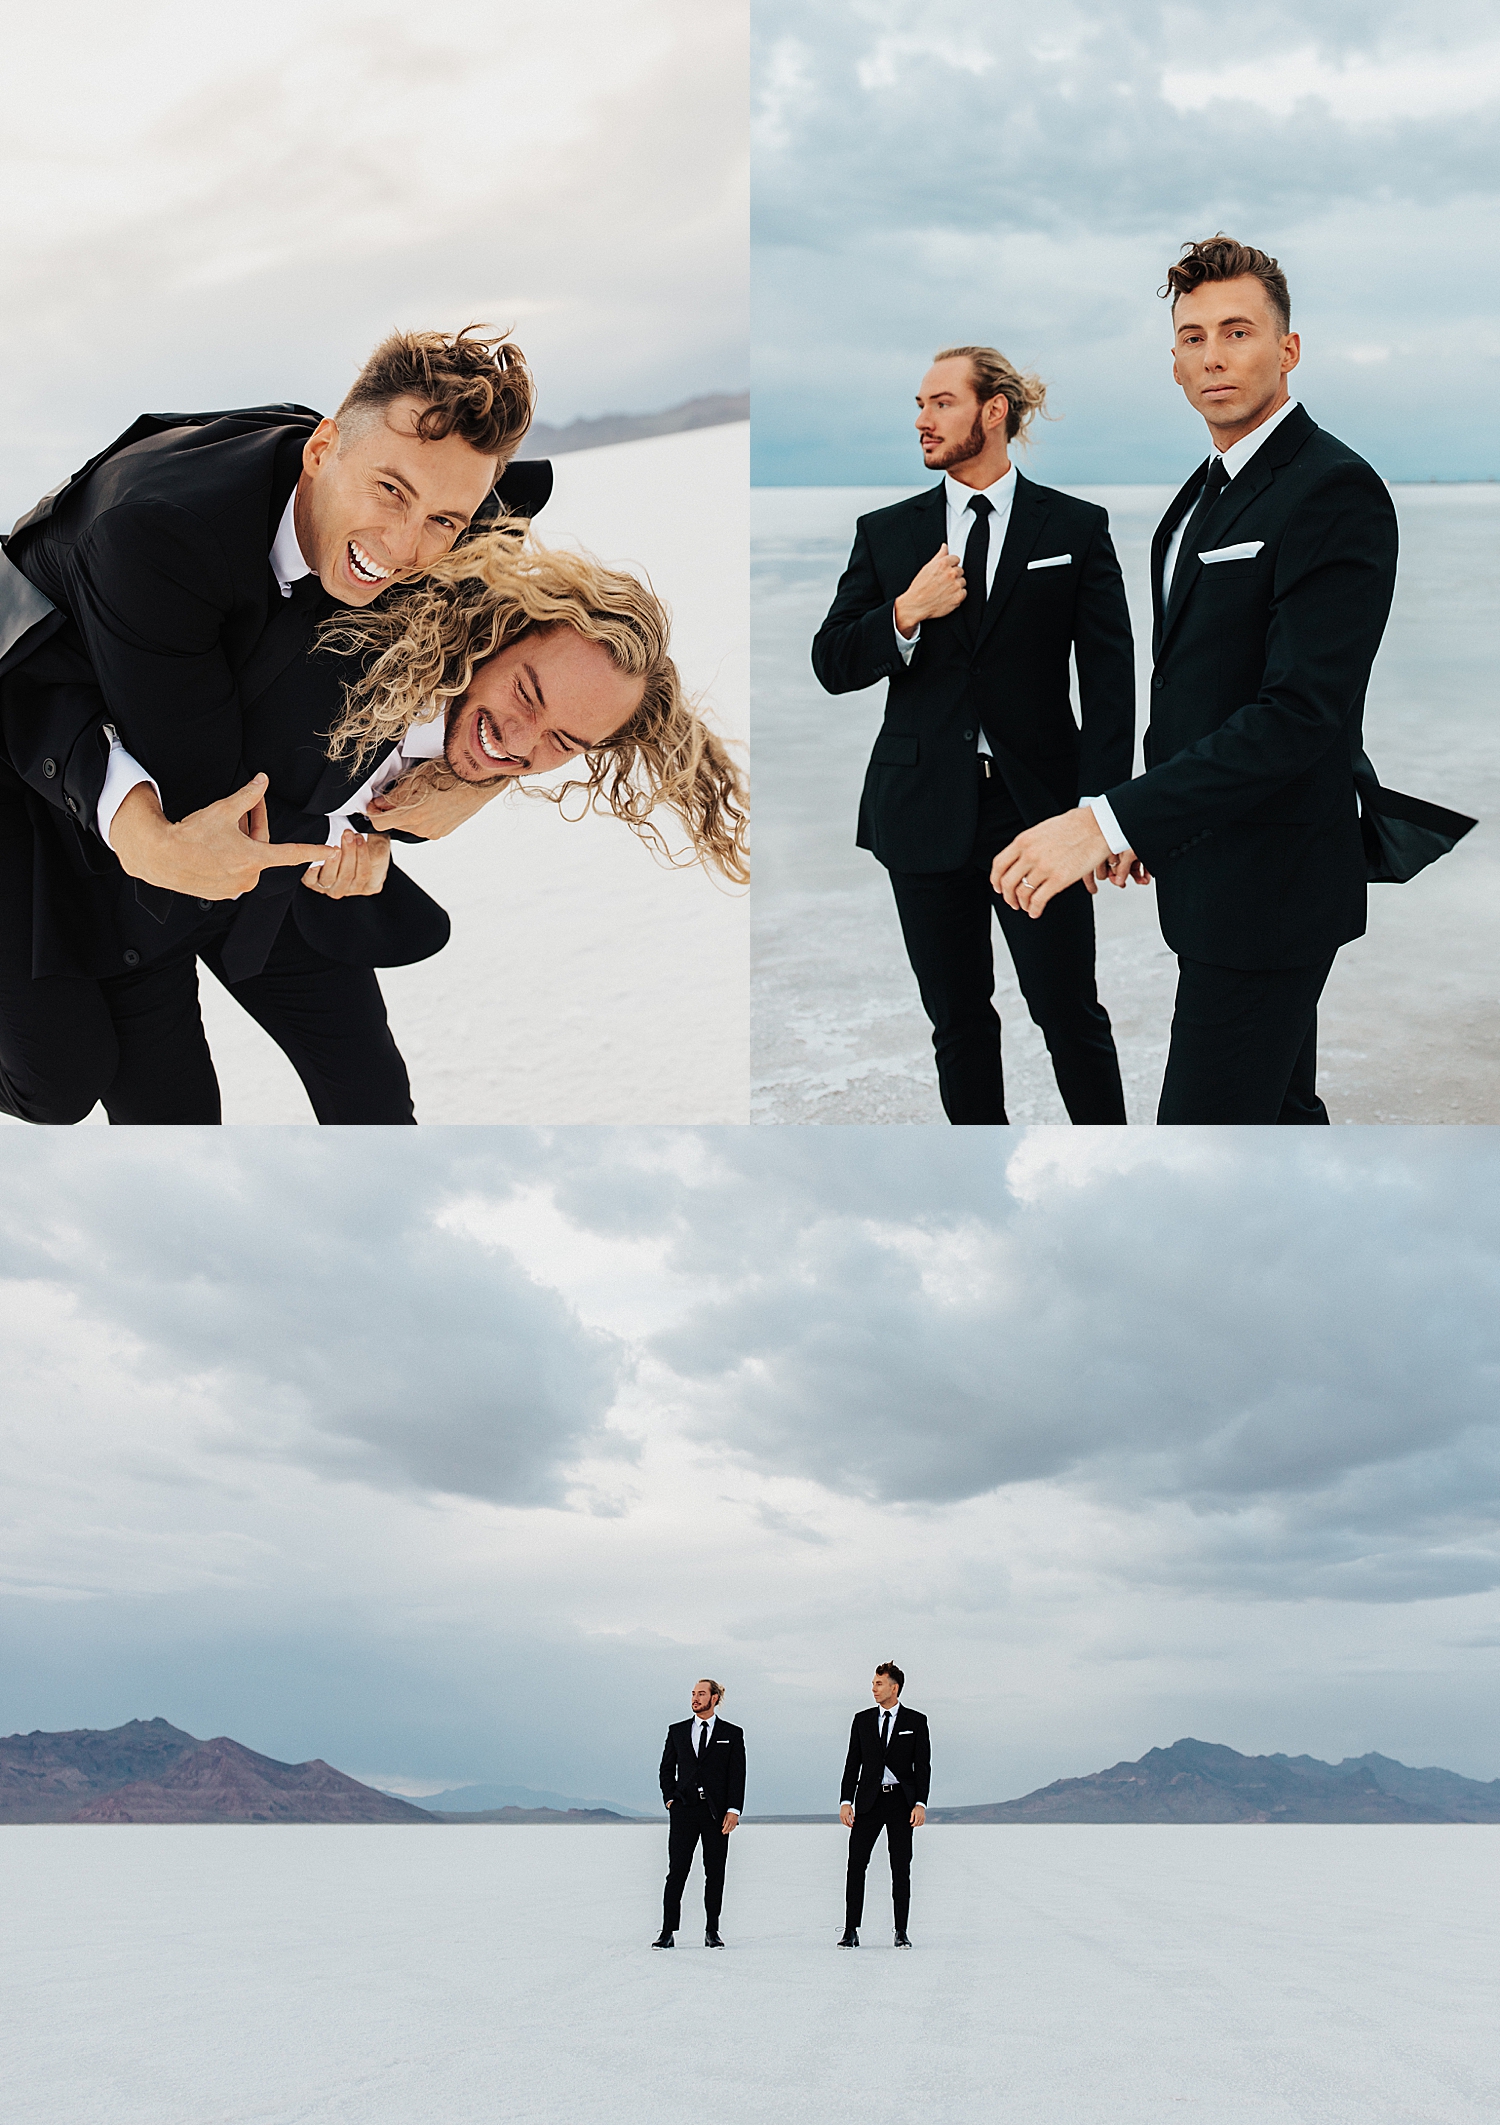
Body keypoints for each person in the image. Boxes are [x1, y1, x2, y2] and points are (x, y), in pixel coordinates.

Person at [0, 326, 537, 1123]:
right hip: (36, 758)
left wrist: (473, 777)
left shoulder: (430, 499)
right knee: (69, 1086)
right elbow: (213, 798)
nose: (403, 546)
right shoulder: (160, 534)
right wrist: (361, 834)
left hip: (192, 795)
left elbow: (570, 657)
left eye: (443, 521)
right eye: (390, 491)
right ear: (322, 448)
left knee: (366, 1093)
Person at [991, 236, 1472, 1123]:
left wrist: (1106, 819)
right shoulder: (1197, 496)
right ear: (1173, 362)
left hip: (1275, 888)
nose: (1214, 355)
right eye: (1193, 337)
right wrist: (1159, 824)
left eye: (1239, 331)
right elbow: (1198, 688)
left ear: (1287, 349)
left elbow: (1298, 716)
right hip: (1214, 876)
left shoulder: (1334, 489)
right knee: (1279, 1125)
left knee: (1202, 1144)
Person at [811, 345, 1134, 1124]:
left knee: (1069, 1015)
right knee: (958, 1024)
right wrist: (904, 614)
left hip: (1040, 816)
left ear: (994, 410)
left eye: (941, 403)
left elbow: (1112, 678)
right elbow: (832, 661)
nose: (923, 420)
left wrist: (1099, 812)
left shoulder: (1076, 526)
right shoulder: (888, 534)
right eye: (919, 406)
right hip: (920, 808)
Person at [838, 1662, 930, 1949]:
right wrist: (845, 1801)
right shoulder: (862, 1720)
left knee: (900, 1866)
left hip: (901, 1803)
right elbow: (852, 1763)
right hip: (868, 1801)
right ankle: (850, 1930)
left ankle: (900, 1930)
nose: (874, 1689)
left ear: (895, 1687)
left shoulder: (916, 1721)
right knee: (856, 1865)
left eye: (879, 1684)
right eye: (873, 1684)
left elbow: (922, 1766)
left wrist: (920, 1803)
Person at [653, 1679, 746, 1950]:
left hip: (717, 1814)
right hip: (684, 1811)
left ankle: (712, 1930)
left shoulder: (732, 1733)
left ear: (714, 1698)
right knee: (677, 1872)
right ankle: (667, 1931)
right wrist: (670, 1799)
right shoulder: (678, 1731)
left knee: (714, 1872)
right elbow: (666, 1769)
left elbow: (737, 1775)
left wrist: (733, 1810)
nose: (695, 1698)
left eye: (701, 1694)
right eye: (693, 1693)